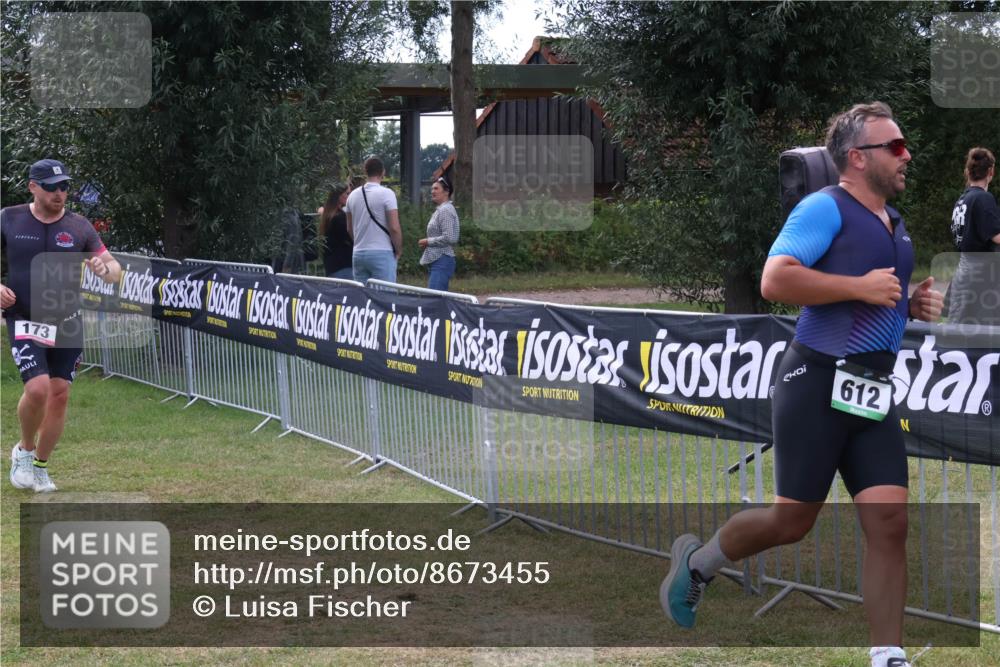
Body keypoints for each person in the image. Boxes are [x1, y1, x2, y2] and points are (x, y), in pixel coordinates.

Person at [659, 103, 943, 667]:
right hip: (814, 381)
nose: (906, 155)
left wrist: (909, 304)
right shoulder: (824, 207)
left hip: (870, 387)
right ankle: (698, 565)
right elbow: (775, 278)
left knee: (890, 522)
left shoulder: (894, 223)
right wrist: (858, 288)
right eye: (896, 146)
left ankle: (888, 654)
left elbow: (868, 297)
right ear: (858, 158)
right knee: (792, 522)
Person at [1, 159, 121, 493]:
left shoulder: (79, 226)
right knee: (37, 388)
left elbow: (114, 270)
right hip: (24, 317)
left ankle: (40, 467)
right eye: (52, 187)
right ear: (33, 187)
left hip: (66, 321)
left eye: (65, 186)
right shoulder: (9, 218)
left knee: (59, 395)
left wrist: (104, 268)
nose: (60, 193)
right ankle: (24, 451)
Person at [947, 147, 1000, 326]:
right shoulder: (983, 199)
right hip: (981, 276)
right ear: (991, 171)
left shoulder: (962, 200)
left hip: (964, 269)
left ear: (968, 172)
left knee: (959, 327)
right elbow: (997, 237)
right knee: (979, 333)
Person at [344, 157, 402, 283]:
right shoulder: (387, 194)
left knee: (362, 299)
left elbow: (349, 228)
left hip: (358, 253)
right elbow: (394, 228)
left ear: (365, 172)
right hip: (382, 252)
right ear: (383, 172)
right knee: (383, 298)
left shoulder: (352, 196)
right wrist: (398, 249)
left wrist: (359, 242)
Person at [418, 177, 460, 291]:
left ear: (446, 192)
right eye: (432, 189)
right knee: (436, 300)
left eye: (436, 188)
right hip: (438, 260)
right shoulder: (441, 209)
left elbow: (450, 238)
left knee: (434, 300)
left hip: (442, 260)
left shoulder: (445, 210)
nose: (432, 191)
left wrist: (428, 241)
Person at [317, 182, 354, 280]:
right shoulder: (339, 218)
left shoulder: (328, 216)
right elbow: (350, 238)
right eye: (347, 193)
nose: (349, 196)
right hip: (343, 266)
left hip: (331, 266)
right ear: (338, 195)